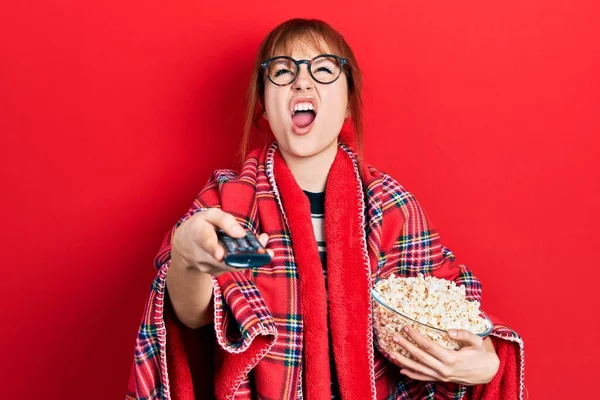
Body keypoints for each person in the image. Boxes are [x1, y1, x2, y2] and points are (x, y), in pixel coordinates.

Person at [127, 18, 524, 400]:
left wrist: (487, 363)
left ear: (348, 103)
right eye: (282, 71)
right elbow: (190, 318)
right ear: (264, 106)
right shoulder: (229, 201)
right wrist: (187, 257)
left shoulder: (390, 204)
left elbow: (450, 304)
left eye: (323, 69)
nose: (302, 80)